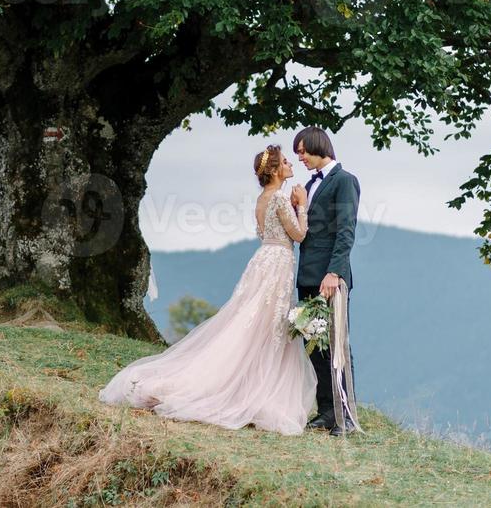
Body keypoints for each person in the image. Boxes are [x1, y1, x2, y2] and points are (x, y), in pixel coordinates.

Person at [97, 145, 319, 434]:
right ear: (276, 171)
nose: (292, 165)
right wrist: (301, 204)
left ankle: (249, 384)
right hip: (277, 264)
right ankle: (248, 389)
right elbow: (299, 235)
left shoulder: (263, 198)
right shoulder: (279, 197)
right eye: (287, 162)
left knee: (253, 324)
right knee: (266, 327)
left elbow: (267, 233)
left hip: (264, 260)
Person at [293, 125, 361, 435]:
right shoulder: (309, 184)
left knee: (336, 345)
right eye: (297, 153)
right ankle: (326, 411)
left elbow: (346, 231)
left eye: (304, 150)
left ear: (320, 146)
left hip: (330, 278)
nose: (301, 157)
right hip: (307, 274)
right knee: (314, 345)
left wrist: (334, 272)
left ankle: (345, 415)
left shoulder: (345, 181)